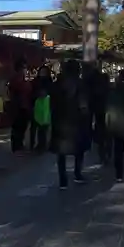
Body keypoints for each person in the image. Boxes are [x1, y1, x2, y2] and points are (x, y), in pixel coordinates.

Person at [51, 60, 92, 189]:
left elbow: (52, 103)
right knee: (78, 150)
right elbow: (83, 105)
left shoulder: (57, 84)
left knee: (61, 152)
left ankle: (63, 179)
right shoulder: (80, 85)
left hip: (60, 121)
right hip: (76, 122)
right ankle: (77, 174)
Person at [8, 60, 31, 154]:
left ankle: (19, 144)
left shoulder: (22, 78)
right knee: (18, 126)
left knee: (22, 126)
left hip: (23, 106)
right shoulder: (16, 79)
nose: (25, 70)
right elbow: (16, 92)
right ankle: (16, 145)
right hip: (18, 106)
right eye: (23, 68)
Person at [30, 65, 54, 152]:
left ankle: (42, 144)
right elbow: (31, 93)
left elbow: (52, 92)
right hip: (36, 105)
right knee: (34, 126)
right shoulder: (35, 82)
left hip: (46, 106)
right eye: (42, 71)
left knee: (43, 127)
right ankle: (33, 144)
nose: (43, 73)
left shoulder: (49, 82)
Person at [91, 67, 112, 165]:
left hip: (99, 113)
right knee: (108, 135)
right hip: (107, 114)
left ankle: (103, 155)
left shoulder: (95, 90)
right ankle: (107, 153)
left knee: (101, 135)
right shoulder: (109, 89)